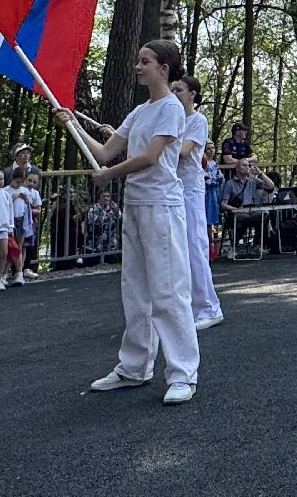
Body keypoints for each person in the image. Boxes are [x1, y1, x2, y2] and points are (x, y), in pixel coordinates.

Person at [57, 40, 199, 406]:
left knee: (168, 290)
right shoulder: (139, 112)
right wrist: (73, 124)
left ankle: (184, 373)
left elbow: (150, 157)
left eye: (145, 61)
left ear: (163, 69)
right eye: (137, 60)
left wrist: (109, 175)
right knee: (134, 288)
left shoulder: (171, 108)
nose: (138, 66)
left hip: (162, 207)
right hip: (135, 205)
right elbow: (105, 152)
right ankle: (134, 367)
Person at [172, 76, 223, 330]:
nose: (174, 93)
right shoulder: (172, 120)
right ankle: (186, 307)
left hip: (191, 190)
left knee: (195, 247)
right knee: (176, 250)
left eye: (179, 90)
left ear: (192, 94)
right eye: (172, 89)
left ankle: (209, 307)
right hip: (172, 190)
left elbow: (182, 151)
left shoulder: (198, 121)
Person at [219, 159, 276, 253]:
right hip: (235, 213)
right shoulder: (230, 184)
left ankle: (257, 245)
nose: (247, 167)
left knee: (264, 215)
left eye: (248, 165)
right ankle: (234, 246)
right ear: (237, 169)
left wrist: (260, 173)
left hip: (250, 212)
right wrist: (238, 210)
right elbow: (223, 205)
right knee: (243, 217)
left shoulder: (253, 181)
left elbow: (271, 186)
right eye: (244, 165)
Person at [83, 190, 122, 261]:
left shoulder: (114, 209)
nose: (106, 198)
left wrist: (116, 211)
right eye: (103, 196)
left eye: (108, 196)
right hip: (94, 247)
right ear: (98, 198)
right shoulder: (93, 209)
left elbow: (120, 220)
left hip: (110, 247)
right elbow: (97, 222)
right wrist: (107, 214)